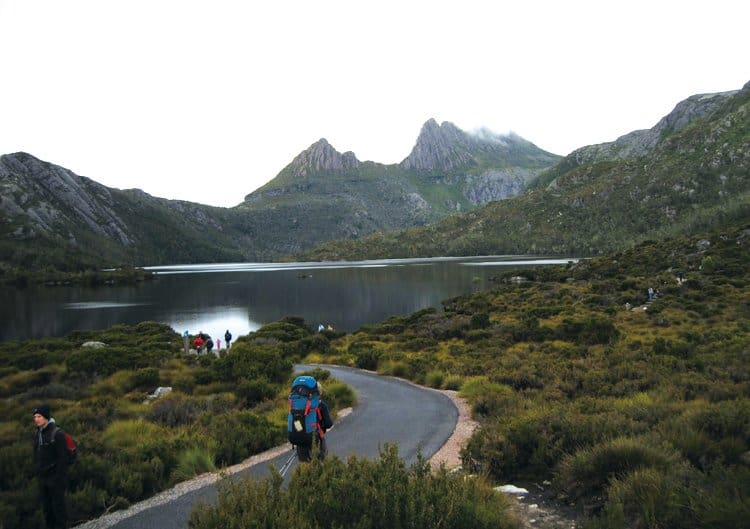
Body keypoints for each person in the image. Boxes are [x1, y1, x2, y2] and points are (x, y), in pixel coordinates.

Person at [33, 404, 68, 529]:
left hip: (55, 478)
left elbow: (63, 459)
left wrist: (58, 478)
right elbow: (36, 455)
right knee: (47, 510)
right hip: (43, 478)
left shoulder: (57, 434)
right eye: (35, 416)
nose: (36, 419)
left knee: (58, 510)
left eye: (39, 416)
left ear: (46, 417)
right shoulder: (38, 434)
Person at [297, 382, 334, 461]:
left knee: (304, 466)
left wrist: (301, 431)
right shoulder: (321, 405)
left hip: (301, 439)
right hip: (317, 438)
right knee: (320, 464)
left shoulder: (298, 406)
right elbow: (329, 423)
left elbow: (296, 422)